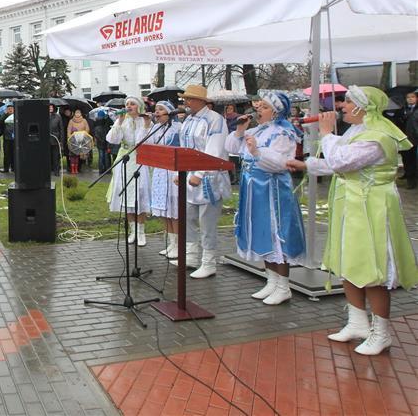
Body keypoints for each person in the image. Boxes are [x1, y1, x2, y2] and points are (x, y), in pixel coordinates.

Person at [287, 86, 417, 355]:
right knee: (348, 263)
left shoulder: (379, 136)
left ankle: (381, 333)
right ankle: (357, 321)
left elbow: (342, 161)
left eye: (347, 101)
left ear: (362, 106)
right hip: (351, 205)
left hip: (373, 209)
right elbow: (338, 166)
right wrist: (306, 165)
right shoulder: (355, 132)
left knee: (373, 270)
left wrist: (325, 133)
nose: (341, 105)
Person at [227, 92, 306, 305]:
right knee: (261, 232)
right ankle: (271, 280)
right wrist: (240, 129)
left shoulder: (284, 132)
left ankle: (283, 285)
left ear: (276, 111)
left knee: (276, 233)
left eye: (264, 107)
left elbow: (282, 163)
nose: (258, 110)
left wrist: (257, 152)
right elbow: (232, 149)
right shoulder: (257, 129)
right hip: (254, 188)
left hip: (272, 189)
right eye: (258, 106)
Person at [171, 85, 231, 278]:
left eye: (189, 99)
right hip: (189, 176)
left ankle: (209, 261)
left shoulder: (215, 120)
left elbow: (214, 150)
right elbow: (184, 147)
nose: (186, 103)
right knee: (188, 217)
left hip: (209, 178)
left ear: (201, 101)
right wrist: (180, 169)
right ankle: (190, 255)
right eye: (185, 99)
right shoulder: (189, 119)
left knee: (207, 221)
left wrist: (200, 172)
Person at [106, 97, 152, 246]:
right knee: (127, 196)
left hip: (139, 159)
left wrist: (145, 125)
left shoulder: (144, 121)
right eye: (127, 104)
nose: (129, 106)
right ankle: (132, 231)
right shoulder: (122, 120)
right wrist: (118, 121)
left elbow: (142, 142)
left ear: (139, 106)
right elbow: (112, 139)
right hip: (124, 159)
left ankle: (141, 232)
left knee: (140, 193)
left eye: (132, 104)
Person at [148, 101, 182, 259]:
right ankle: (171, 242)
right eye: (156, 109)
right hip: (160, 172)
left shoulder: (178, 128)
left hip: (173, 172)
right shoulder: (155, 128)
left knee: (174, 209)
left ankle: (179, 244)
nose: (157, 112)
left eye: (161, 109)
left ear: (170, 112)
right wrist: (146, 123)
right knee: (164, 210)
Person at [398, 90, 417, 189]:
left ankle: (412, 180)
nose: (410, 99)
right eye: (408, 97)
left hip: (414, 138)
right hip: (404, 137)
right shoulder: (402, 110)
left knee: (413, 160)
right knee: (406, 158)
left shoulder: (416, 110)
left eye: (412, 97)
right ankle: (407, 174)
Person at [66, 108, 91, 174]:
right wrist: (70, 137)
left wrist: (83, 134)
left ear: (81, 113)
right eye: (76, 113)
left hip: (82, 140)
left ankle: (78, 168)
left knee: (79, 155)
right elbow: (68, 130)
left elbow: (87, 129)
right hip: (73, 140)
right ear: (74, 113)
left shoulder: (84, 120)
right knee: (73, 155)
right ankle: (73, 169)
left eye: (79, 113)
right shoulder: (71, 121)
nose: (77, 114)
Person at [0, 104, 16, 173]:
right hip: (6, 138)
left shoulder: (16, 116)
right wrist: (5, 114)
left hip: (15, 138)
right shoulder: (5, 116)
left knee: (14, 153)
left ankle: (14, 168)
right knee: (6, 154)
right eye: (9, 109)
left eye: (11, 108)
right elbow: (0, 121)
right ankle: (6, 168)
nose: (10, 110)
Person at [48, 104, 63, 176]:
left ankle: (56, 171)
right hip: (46, 140)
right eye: (49, 107)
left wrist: (61, 141)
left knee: (56, 157)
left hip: (55, 140)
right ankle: (48, 171)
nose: (50, 108)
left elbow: (61, 129)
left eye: (51, 107)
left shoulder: (58, 116)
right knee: (47, 156)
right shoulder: (43, 115)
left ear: (54, 108)